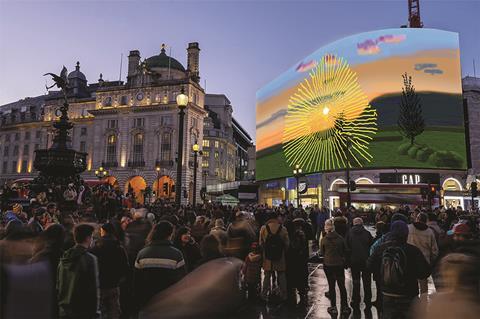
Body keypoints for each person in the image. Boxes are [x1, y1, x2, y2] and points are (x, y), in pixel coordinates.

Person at [368, 220, 430, 319]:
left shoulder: (381, 248)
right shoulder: (413, 250)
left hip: (387, 294)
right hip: (409, 294)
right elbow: (424, 272)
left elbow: (369, 266)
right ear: (406, 234)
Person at [134, 221, 186, 308]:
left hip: (147, 299)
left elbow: (137, 280)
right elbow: (182, 279)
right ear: (170, 234)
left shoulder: (142, 253)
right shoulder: (176, 254)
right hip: (169, 301)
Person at [57, 224, 100, 319]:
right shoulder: (90, 259)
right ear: (88, 238)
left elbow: (58, 285)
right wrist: (95, 313)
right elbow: (93, 289)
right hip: (82, 311)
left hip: (64, 311)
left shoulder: (64, 258)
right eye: (92, 237)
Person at [90, 223, 129, 319]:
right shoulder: (119, 247)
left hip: (100, 284)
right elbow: (125, 266)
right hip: (113, 284)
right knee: (113, 310)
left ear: (103, 231)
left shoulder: (96, 247)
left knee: (101, 311)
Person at [320, 219, 350, 317]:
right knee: (342, 286)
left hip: (328, 265)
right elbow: (345, 250)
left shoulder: (324, 239)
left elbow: (322, 252)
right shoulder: (340, 238)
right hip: (339, 265)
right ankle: (345, 306)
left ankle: (333, 307)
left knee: (331, 286)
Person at [259, 211, 289, 302]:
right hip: (280, 256)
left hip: (268, 256)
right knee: (281, 275)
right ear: (276, 218)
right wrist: (283, 252)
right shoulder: (282, 228)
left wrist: (265, 251)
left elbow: (261, 243)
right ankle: (284, 295)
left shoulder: (264, 228)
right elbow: (287, 243)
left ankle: (264, 295)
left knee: (267, 275)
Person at [407, 212, 438, 299]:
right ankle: (423, 306)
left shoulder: (409, 228)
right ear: (426, 221)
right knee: (424, 288)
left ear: (417, 219)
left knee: (411, 284)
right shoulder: (429, 232)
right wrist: (431, 262)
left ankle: (413, 304)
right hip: (424, 262)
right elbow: (435, 250)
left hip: (410, 261)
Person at [345, 217, 373, 310]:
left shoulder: (349, 233)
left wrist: (348, 260)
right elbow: (371, 247)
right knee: (367, 281)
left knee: (356, 281)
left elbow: (347, 248)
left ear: (353, 224)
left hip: (354, 261)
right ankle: (368, 300)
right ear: (362, 224)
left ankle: (356, 299)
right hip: (366, 261)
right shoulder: (367, 233)